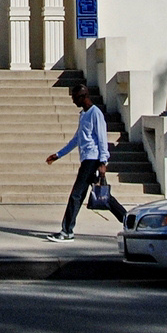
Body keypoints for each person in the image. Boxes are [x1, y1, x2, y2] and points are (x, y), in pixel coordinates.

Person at [45, 84, 125, 240]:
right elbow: (77, 139)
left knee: (76, 195)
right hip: (87, 160)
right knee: (104, 196)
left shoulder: (96, 114)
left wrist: (103, 162)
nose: (73, 101)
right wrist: (58, 155)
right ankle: (129, 220)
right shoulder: (83, 114)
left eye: (74, 98)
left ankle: (67, 231)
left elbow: (102, 138)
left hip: (93, 160)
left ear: (83, 97)